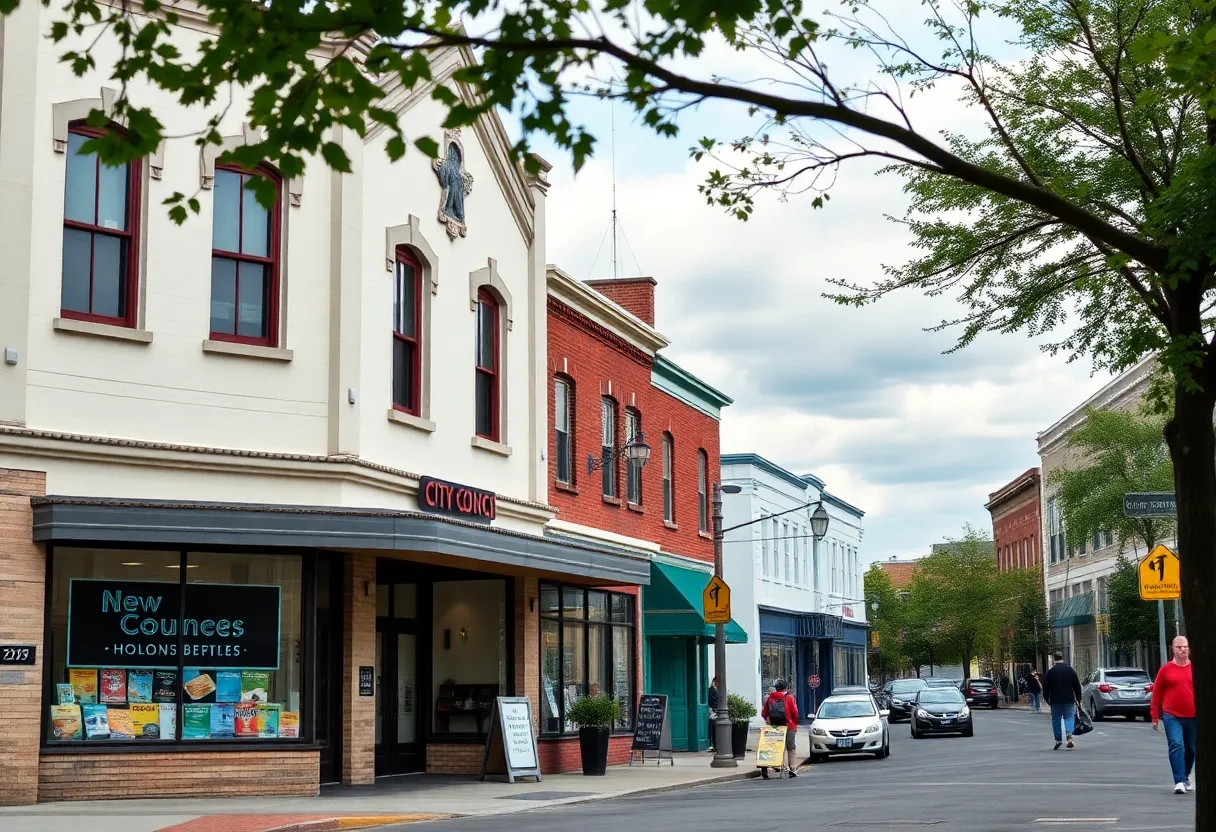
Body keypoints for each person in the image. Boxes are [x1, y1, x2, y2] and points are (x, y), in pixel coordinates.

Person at [1152, 635, 1196, 794]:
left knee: (1191, 749)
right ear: (1173, 650)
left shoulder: (1195, 668)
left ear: (1189, 649)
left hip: (1193, 715)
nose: (1183, 650)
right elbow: (1156, 694)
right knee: (1176, 744)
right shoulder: (1166, 670)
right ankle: (1179, 781)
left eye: (1185, 646)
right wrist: (1155, 717)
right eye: (1179, 647)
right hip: (1171, 715)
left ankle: (1185, 776)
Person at [760, 678, 800, 779]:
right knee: (791, 748)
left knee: (778, 747)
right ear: (786, 687)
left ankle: (782, 766)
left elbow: (763, 713)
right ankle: (793, 769)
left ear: (776, 688)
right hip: (789, 725)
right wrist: (794, 722)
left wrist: (769, 720)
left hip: (775, 727)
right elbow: (795, 713)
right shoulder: (789, 697)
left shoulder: (770, 698)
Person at [1042, 652, 1082, 750]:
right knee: (1069, 717)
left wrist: (1047, 698)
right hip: (1068, 699)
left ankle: (1058, 739)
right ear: (1062, 658)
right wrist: (1078, 698)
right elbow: (1076, 685)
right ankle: (1069, 736)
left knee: (1056, 719)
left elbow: (1045, 687)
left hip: (1055, 700)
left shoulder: (1050, 672)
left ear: (1054, 659)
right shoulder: (1070, 670)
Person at [708, 677, 720, 752]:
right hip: (714, 711)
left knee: (713, 729)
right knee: (714, 729)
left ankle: (714, 745)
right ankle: (714, 745)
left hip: (713, 711)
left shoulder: (713, 690)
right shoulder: (714, 690)